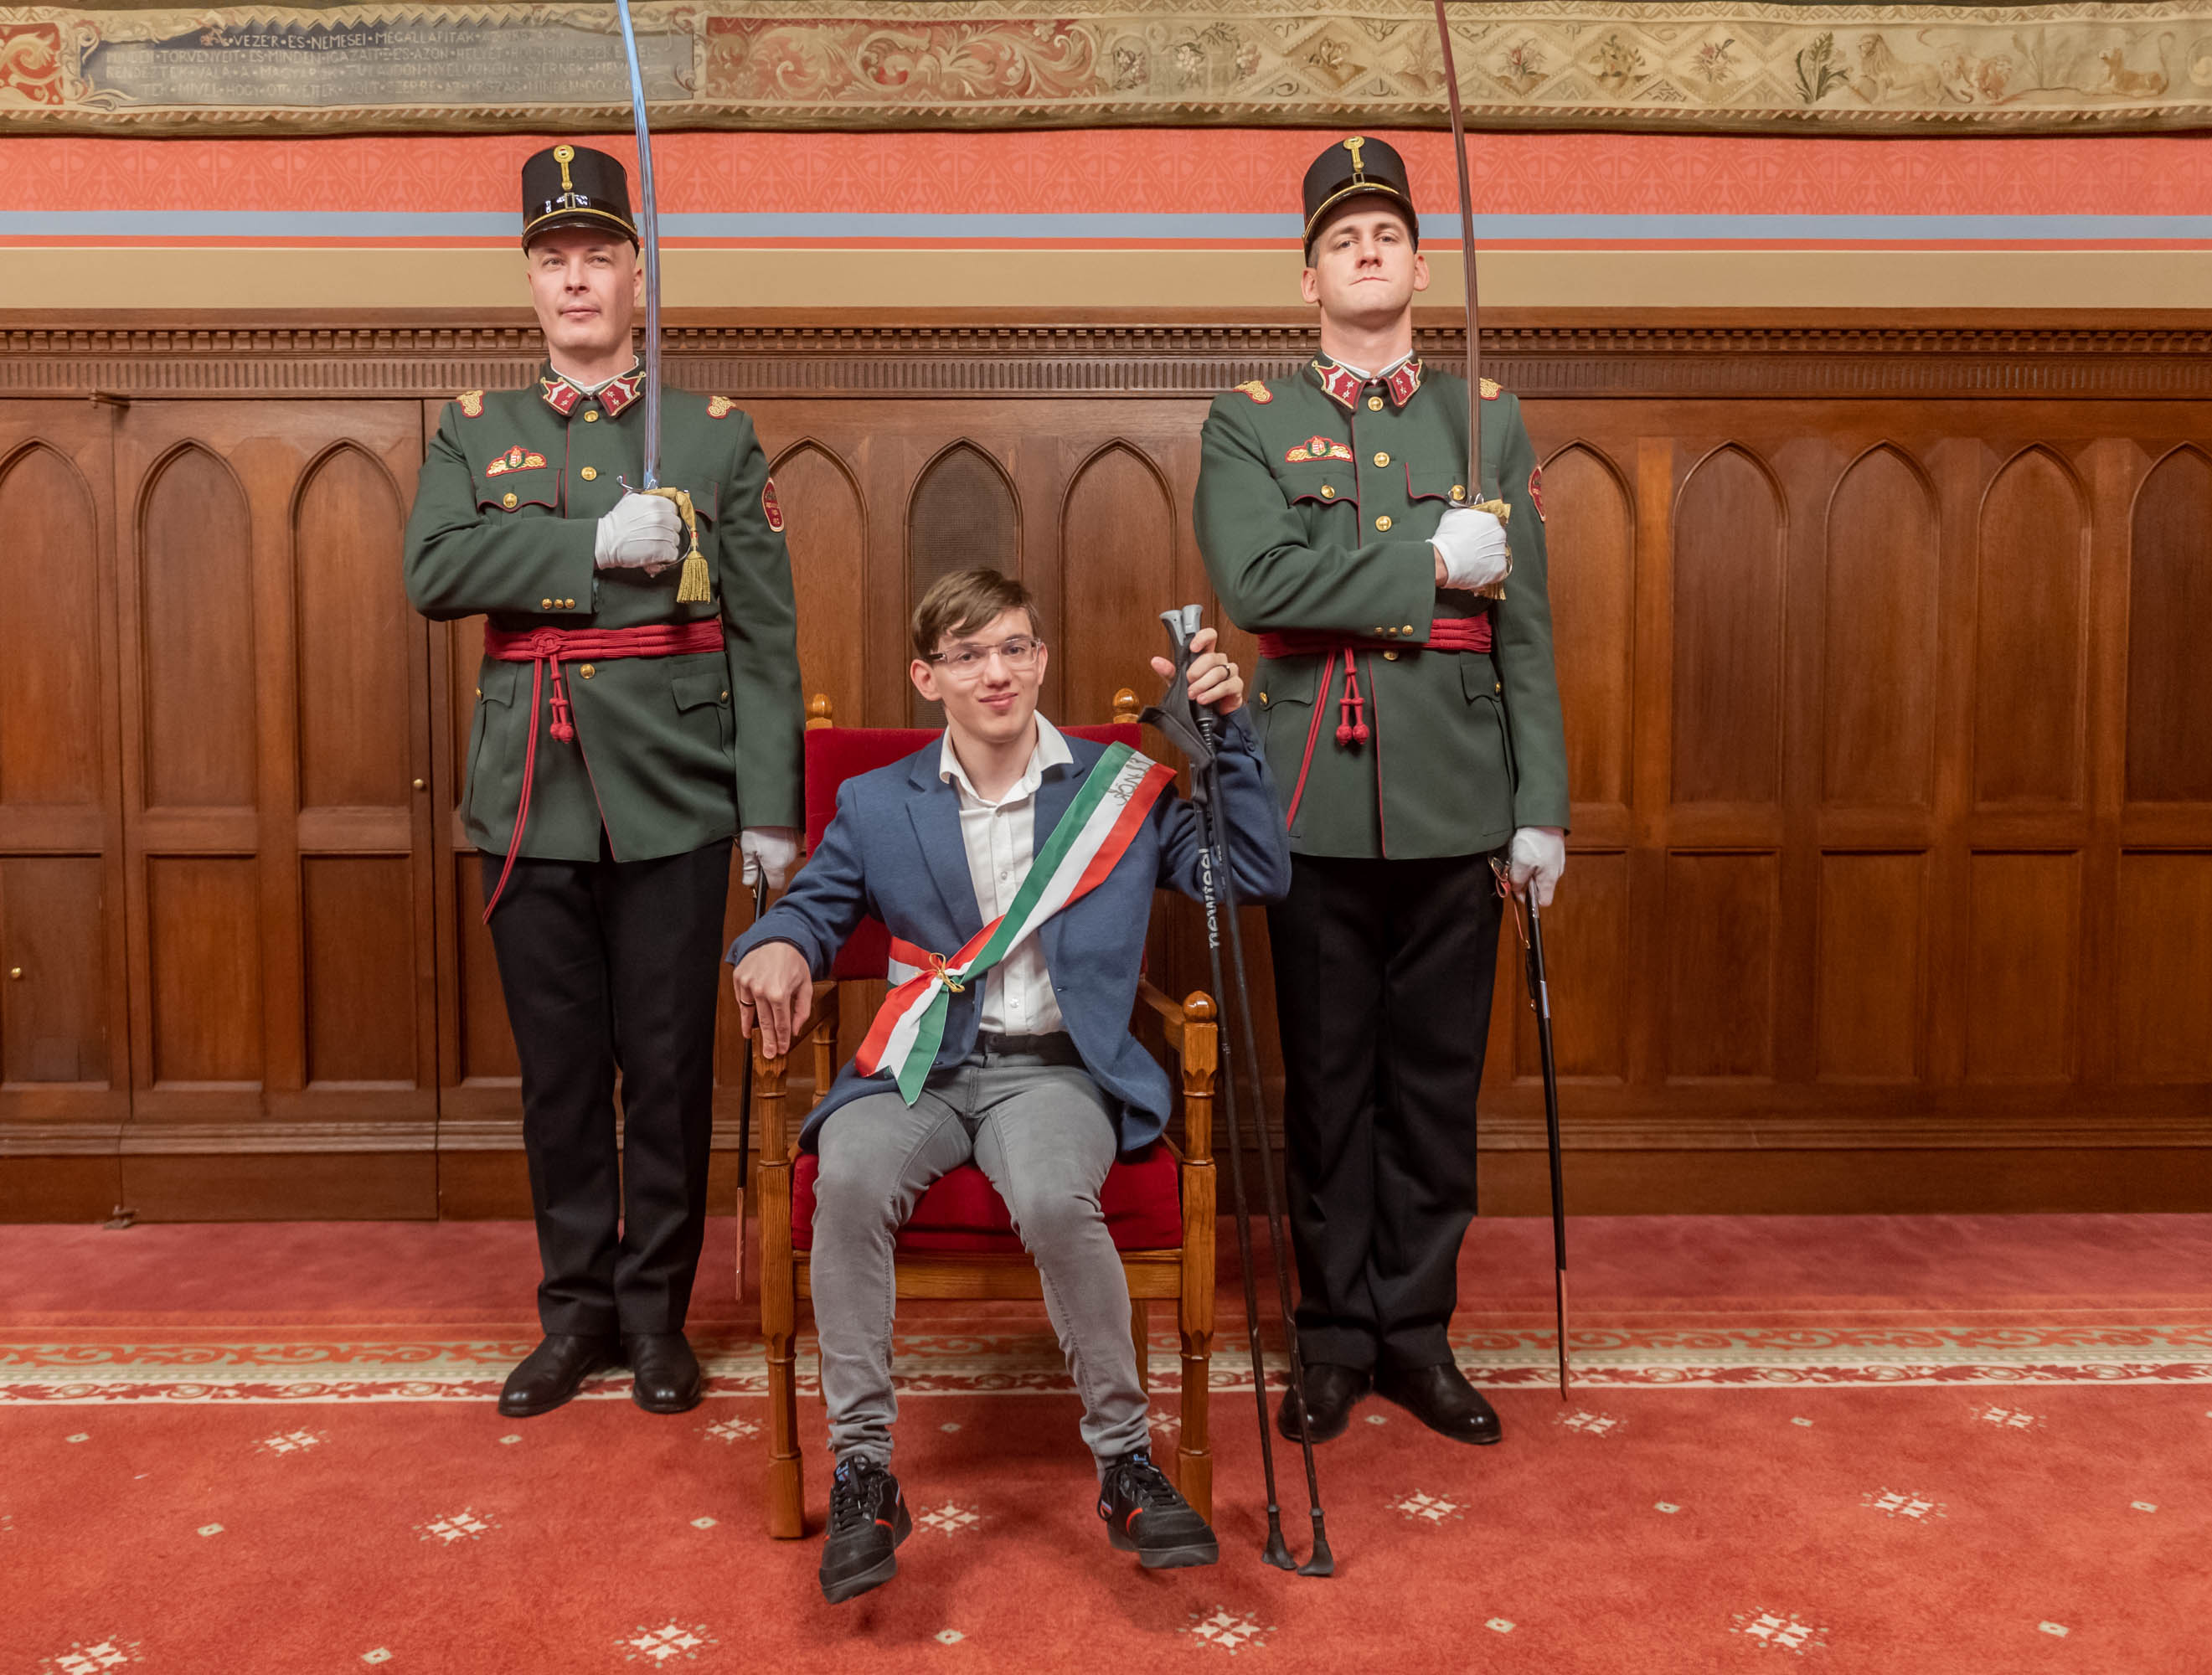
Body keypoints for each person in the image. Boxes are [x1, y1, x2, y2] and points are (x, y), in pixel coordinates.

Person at [729, 570, 1288, 1603]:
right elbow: (813, 906)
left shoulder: (1120, 789)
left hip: (1057, 1072)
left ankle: (1126, 1462)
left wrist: (1231, 736)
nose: (997, 672)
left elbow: (1249, 873)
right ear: (928, 676)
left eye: (1015, 648)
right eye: (969, 653)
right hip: (920, 1068)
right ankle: (864, 1471)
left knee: (1052, 1196)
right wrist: (776, 944)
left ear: (1041, 659)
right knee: (847, 1180)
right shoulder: (877, 801)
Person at [402, 142, 802, 1420]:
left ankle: (656, 1316)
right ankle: (574, 1314)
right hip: (530, 792)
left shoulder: (714, 435)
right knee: (562, 1073)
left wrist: (770, 811)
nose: (575, 280)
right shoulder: (476, 430)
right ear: (530, 281)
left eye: (598, 257)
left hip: (677, 792)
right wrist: (585, 546)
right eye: (552, 259)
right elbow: (433, 571)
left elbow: (765, 636)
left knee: (670, 1068)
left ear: (640, 275)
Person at [1192, 135, 1570, 1449]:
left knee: (1435, 1087)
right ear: (1308, 278)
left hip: (1461, 792)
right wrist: (1431, 561)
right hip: (1315, 797)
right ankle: (1333, 1340)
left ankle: (1417, 1335)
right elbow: (1261, 589)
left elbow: (1527, 629)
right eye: (1342, 240)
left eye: (1387, 236)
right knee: (1329, 1084)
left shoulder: (1488, 419)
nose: (1367, 253)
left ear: (1419, 265)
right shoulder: (1248, 420)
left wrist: (1541, 805)